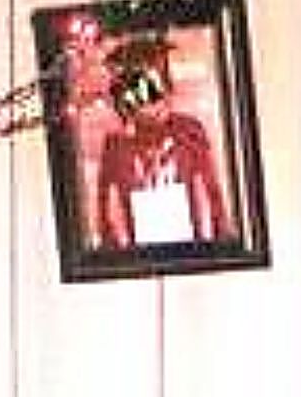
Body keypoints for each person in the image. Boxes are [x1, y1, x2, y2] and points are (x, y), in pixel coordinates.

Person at [90, 44, 229, 250]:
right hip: (140, 255)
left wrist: (219, 244)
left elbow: (213, 194)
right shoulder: (116, 146)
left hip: (192, 249)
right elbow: (105, 210)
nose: (153, 105)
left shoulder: (188, 131)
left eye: (158, 88)